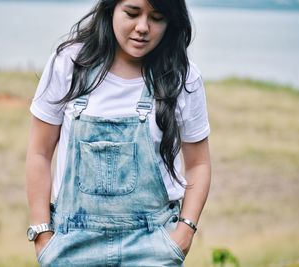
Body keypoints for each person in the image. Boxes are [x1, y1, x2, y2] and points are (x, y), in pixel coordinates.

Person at [26, 0, 211, 266]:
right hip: (71, 246)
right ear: (110, 8)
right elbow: (39, 153)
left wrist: (184, 232)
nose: (143, 27)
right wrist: (42, 233)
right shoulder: (70, 63)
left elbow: (199, 164)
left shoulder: (183, 77)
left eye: (157, 18)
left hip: (152, 246)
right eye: (132, 13)